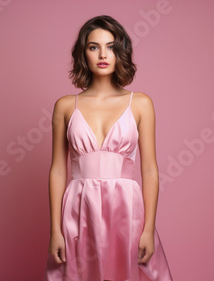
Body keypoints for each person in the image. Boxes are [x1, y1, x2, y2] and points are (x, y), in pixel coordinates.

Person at [43, 15, 173, 281]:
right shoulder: (66, 106)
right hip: (80, 209)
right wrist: (55, 230)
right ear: (83, 53)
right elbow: (58, 170)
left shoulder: (141, 103)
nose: (103, 54)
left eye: (111, 46)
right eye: (94, 47)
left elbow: (149, 170)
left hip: (126, 210)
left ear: (120, 52)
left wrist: (149, 228)